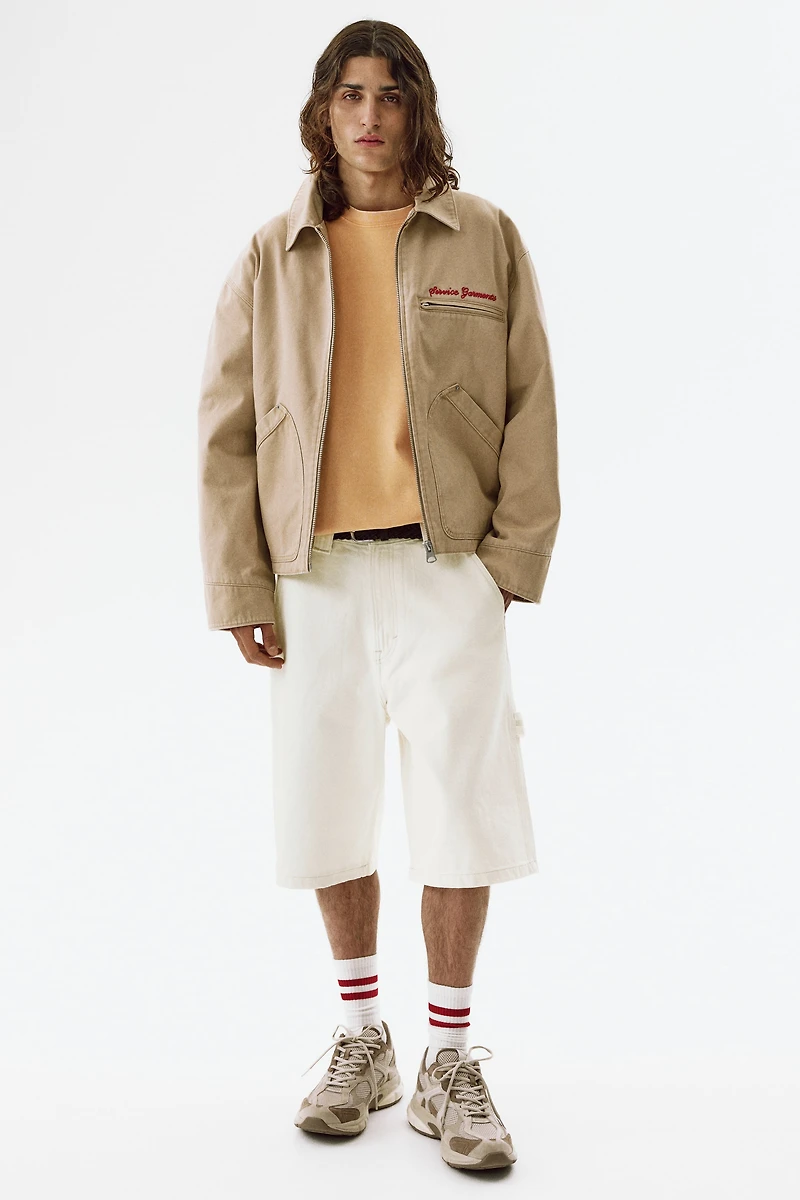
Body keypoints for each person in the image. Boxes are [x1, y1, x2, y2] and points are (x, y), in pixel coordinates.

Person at [197, 18, 560, 1172]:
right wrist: (240, 582)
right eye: (348, 94)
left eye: (389, 94)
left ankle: (449, 1058)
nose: (368, 115)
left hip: (448, 566)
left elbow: (529, 398)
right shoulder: (272, 254)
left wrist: (509, 563)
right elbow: (225, 432)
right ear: (322, 112)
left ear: (417, 111)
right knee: (325, 805)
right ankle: (364, 1038)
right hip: (314, 575)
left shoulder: (480, 236)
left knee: (462, 806)